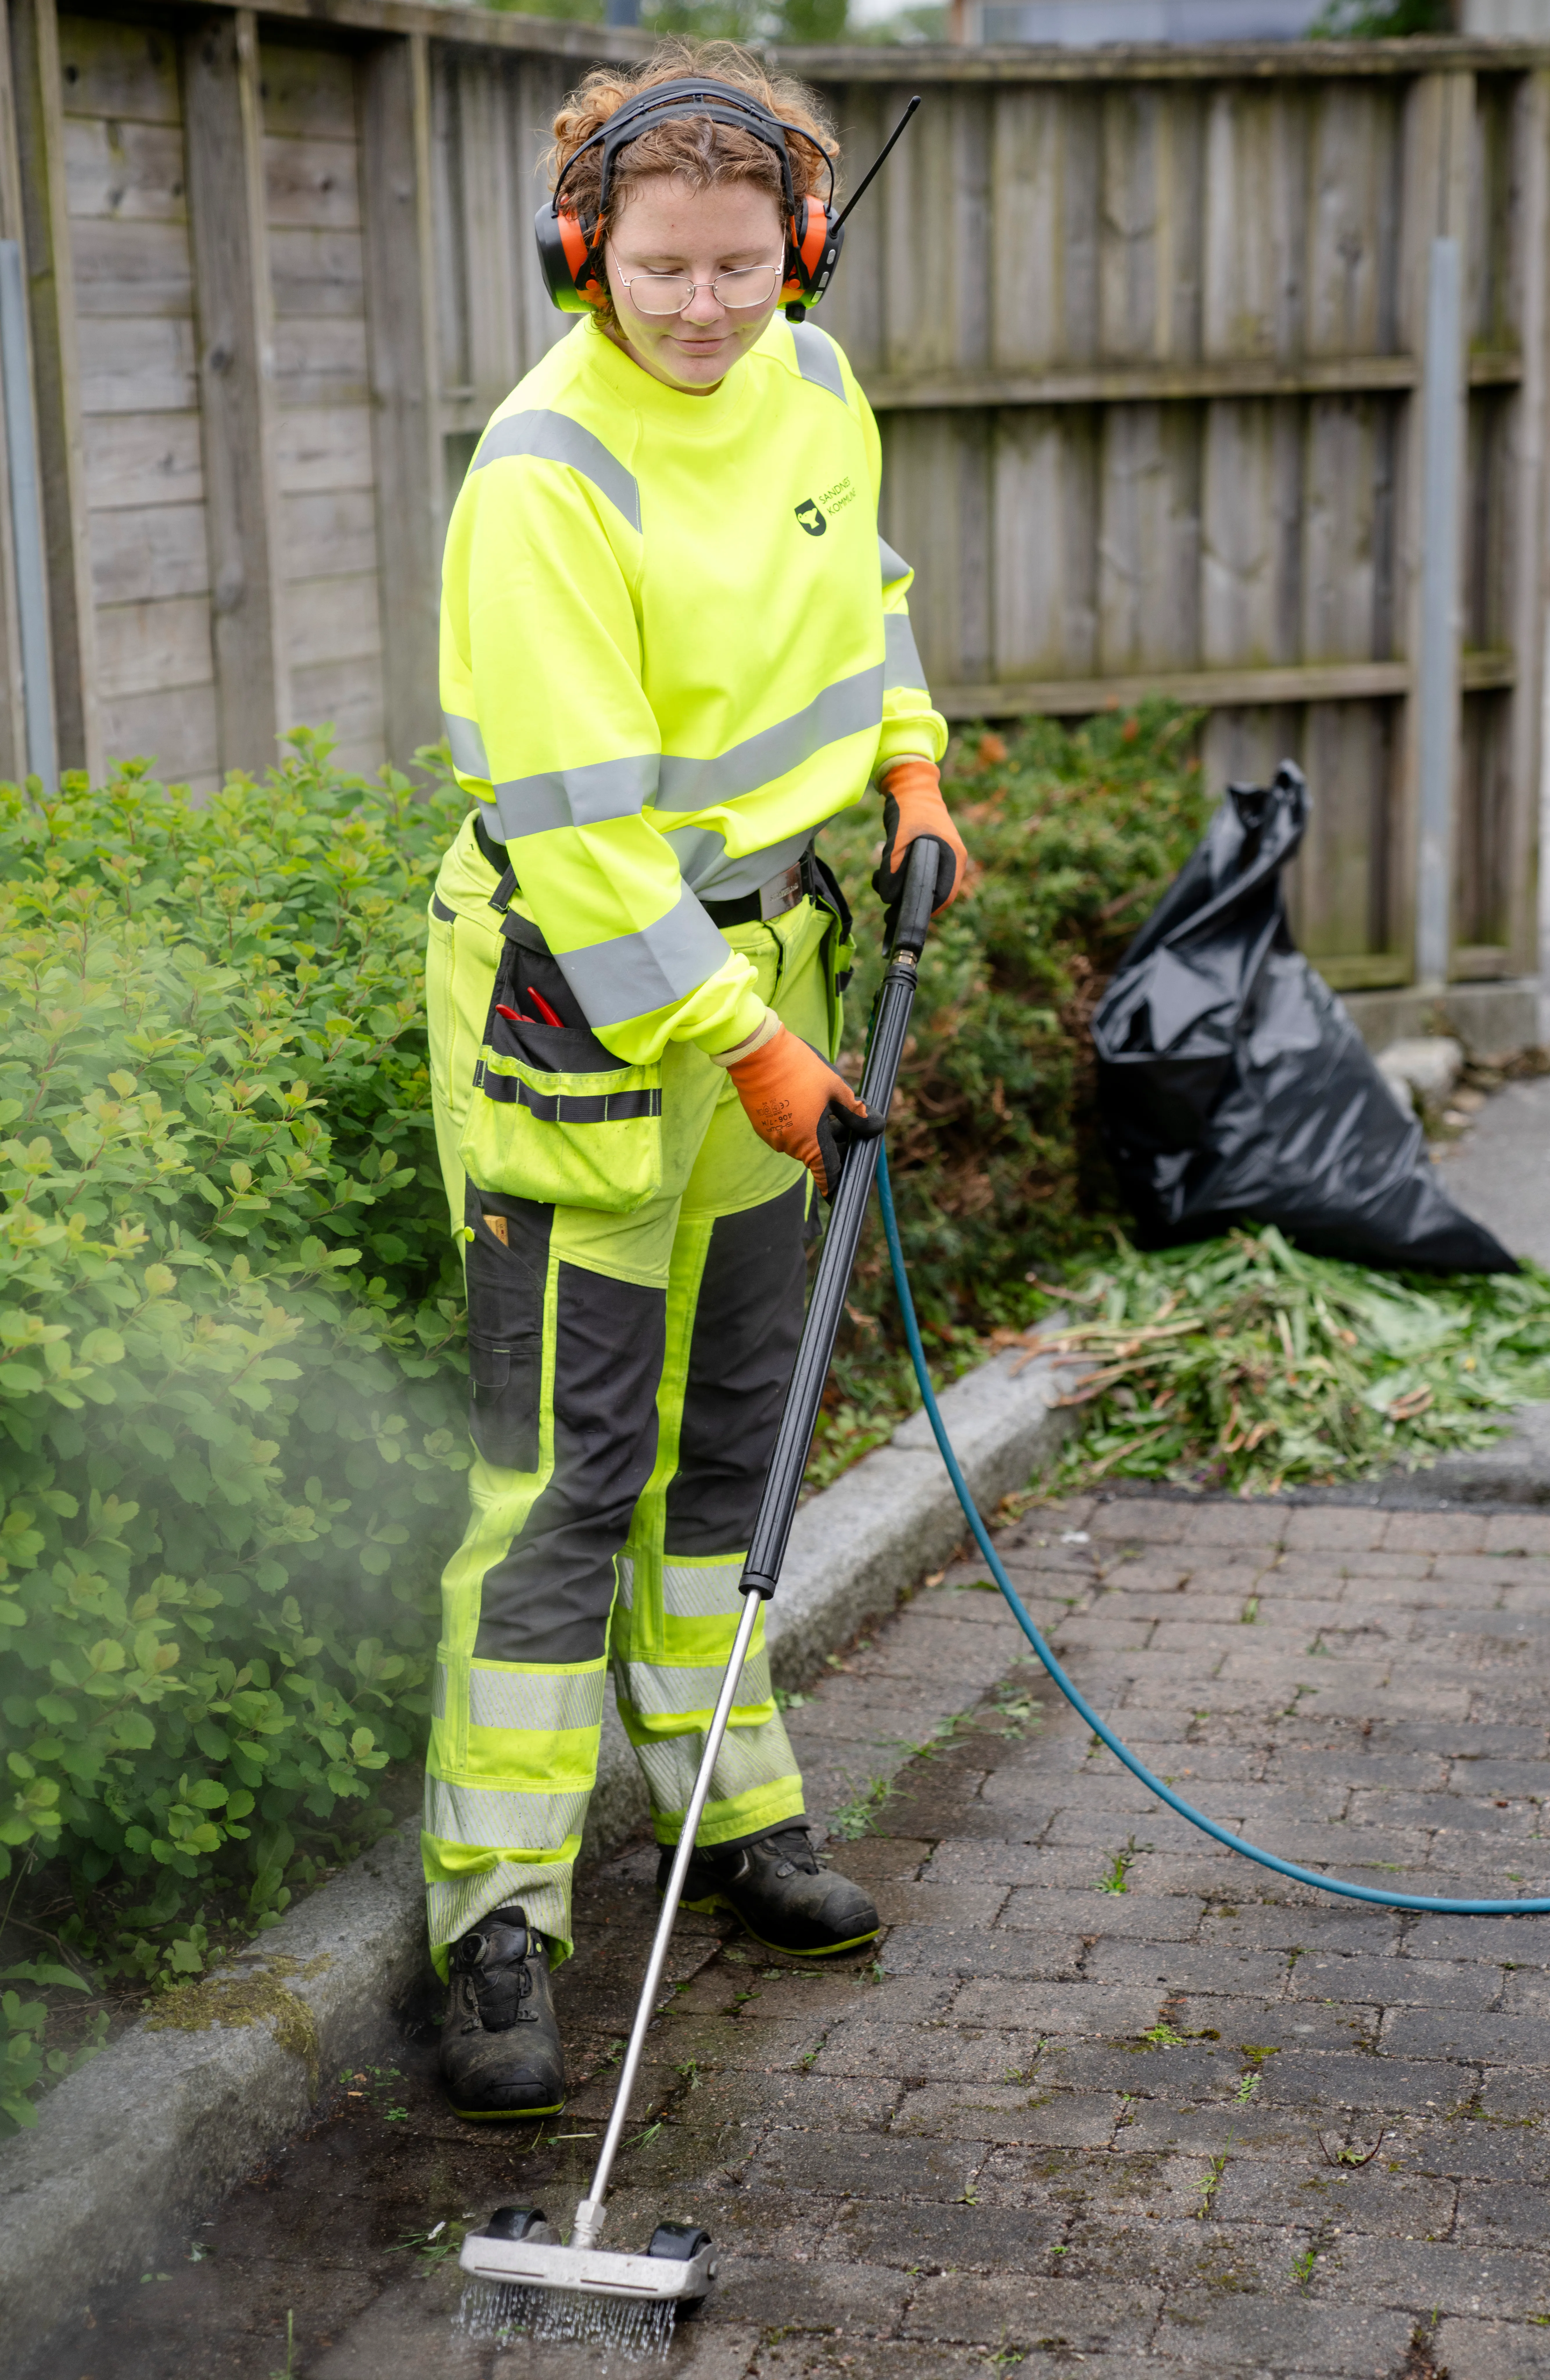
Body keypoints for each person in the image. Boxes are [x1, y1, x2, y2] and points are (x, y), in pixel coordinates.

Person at [422, 40, 967, 2121]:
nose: (709, 304)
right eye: (665, 266)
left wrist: (909, 768)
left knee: (728, 1446)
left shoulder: (814, 385)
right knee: (565, 1478)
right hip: (585, 1009)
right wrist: (749, 1049)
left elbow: (865, 602)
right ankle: (499, 1916)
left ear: (803, 247)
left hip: (770, 972)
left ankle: (735, 1819)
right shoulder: (546, 477)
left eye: (744, 263)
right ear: (583, 249)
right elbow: (575, 840)